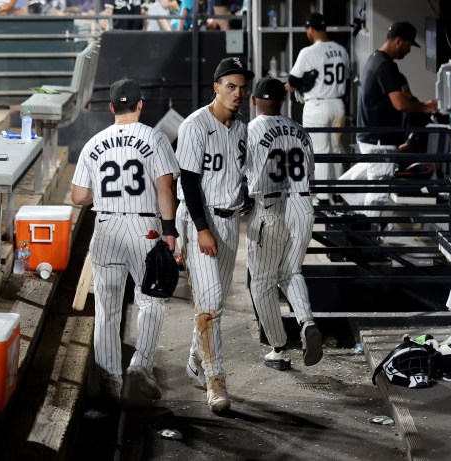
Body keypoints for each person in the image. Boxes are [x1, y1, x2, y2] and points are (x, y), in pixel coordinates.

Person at [71, 79, 180, 405]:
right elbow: (165, 190)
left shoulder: (94, 143)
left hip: (105, 226)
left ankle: (110, 383)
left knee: (106, 309)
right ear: (140, 105)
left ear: (111, 108)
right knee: (151, 298)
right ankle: (141, 364)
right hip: (143, 227)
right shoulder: (154, 137)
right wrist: (170, 231)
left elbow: (78, 197)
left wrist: (100, 193)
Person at [176, 57, 254, 413]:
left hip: (229, 222)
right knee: (207, 305)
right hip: (200, 221)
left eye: (242, 87)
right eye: (231, 86)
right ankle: (215, 378)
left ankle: (196, 358)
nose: (238, 93)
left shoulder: (242, 128)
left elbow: (241, 175)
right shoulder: (195, 125)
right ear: (216, 88)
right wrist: (201, 230)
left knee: (215, 303)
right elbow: (189, 182)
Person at [246, 77, 323, 371]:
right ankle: (306, 322)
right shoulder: (300, 131)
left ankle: (278, 348)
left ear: (254, 100)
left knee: (263, 282)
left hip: (270, 205)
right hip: (302, 205)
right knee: (291, 271)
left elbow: (244, 178)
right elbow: (310, 170)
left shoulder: (251, 130)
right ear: (282, 101)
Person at [340, 21, 438, 217]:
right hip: (379, 140)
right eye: (409, 46)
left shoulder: (375, 59)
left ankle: (358, 224)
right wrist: (425, 107)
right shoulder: (385, 65)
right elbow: (400, 103)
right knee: (378, 192)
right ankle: (369, 238)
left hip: (371, 137)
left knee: (347, 185)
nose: (409, 51)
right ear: (399, 41)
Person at [285, 12, 350, 203]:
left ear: (310, 30)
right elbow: (344, 78)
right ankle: (339, 194)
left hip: (318, 105)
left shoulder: (308, 52)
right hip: (338, 103)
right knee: (336, 150)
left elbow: (292, 81)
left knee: (321, 151)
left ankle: (322, 197)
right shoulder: (341, 50)